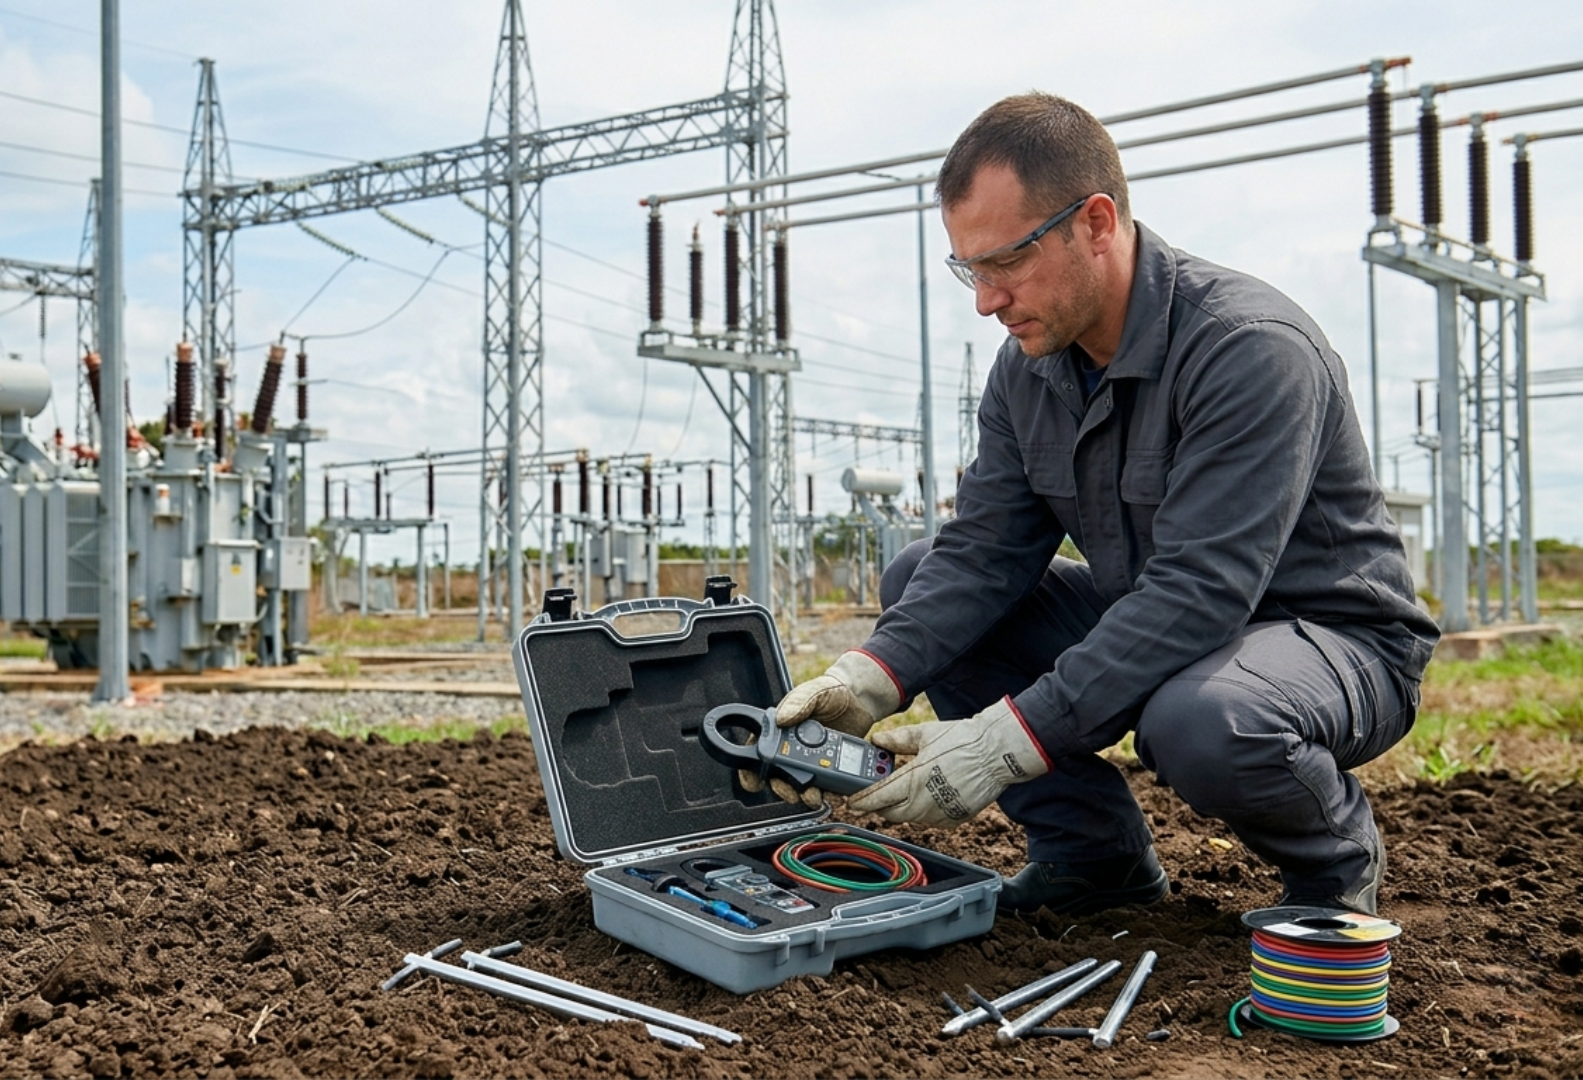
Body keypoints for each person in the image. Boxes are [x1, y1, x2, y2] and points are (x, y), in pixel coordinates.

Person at [765, 92, 1439, 918]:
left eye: (1005, 261)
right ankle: (1094, 859)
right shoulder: (1028, 369)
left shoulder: (1247, 349)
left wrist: (1001, 743)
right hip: (1171, 620)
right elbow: (983, 552)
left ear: (1094, 223)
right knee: (918, 576)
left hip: (1329, 641)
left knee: (1201, 719)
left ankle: (1333, 869)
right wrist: (872, 675)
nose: (986, 299)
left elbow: (1200, 591)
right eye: (969, 269)